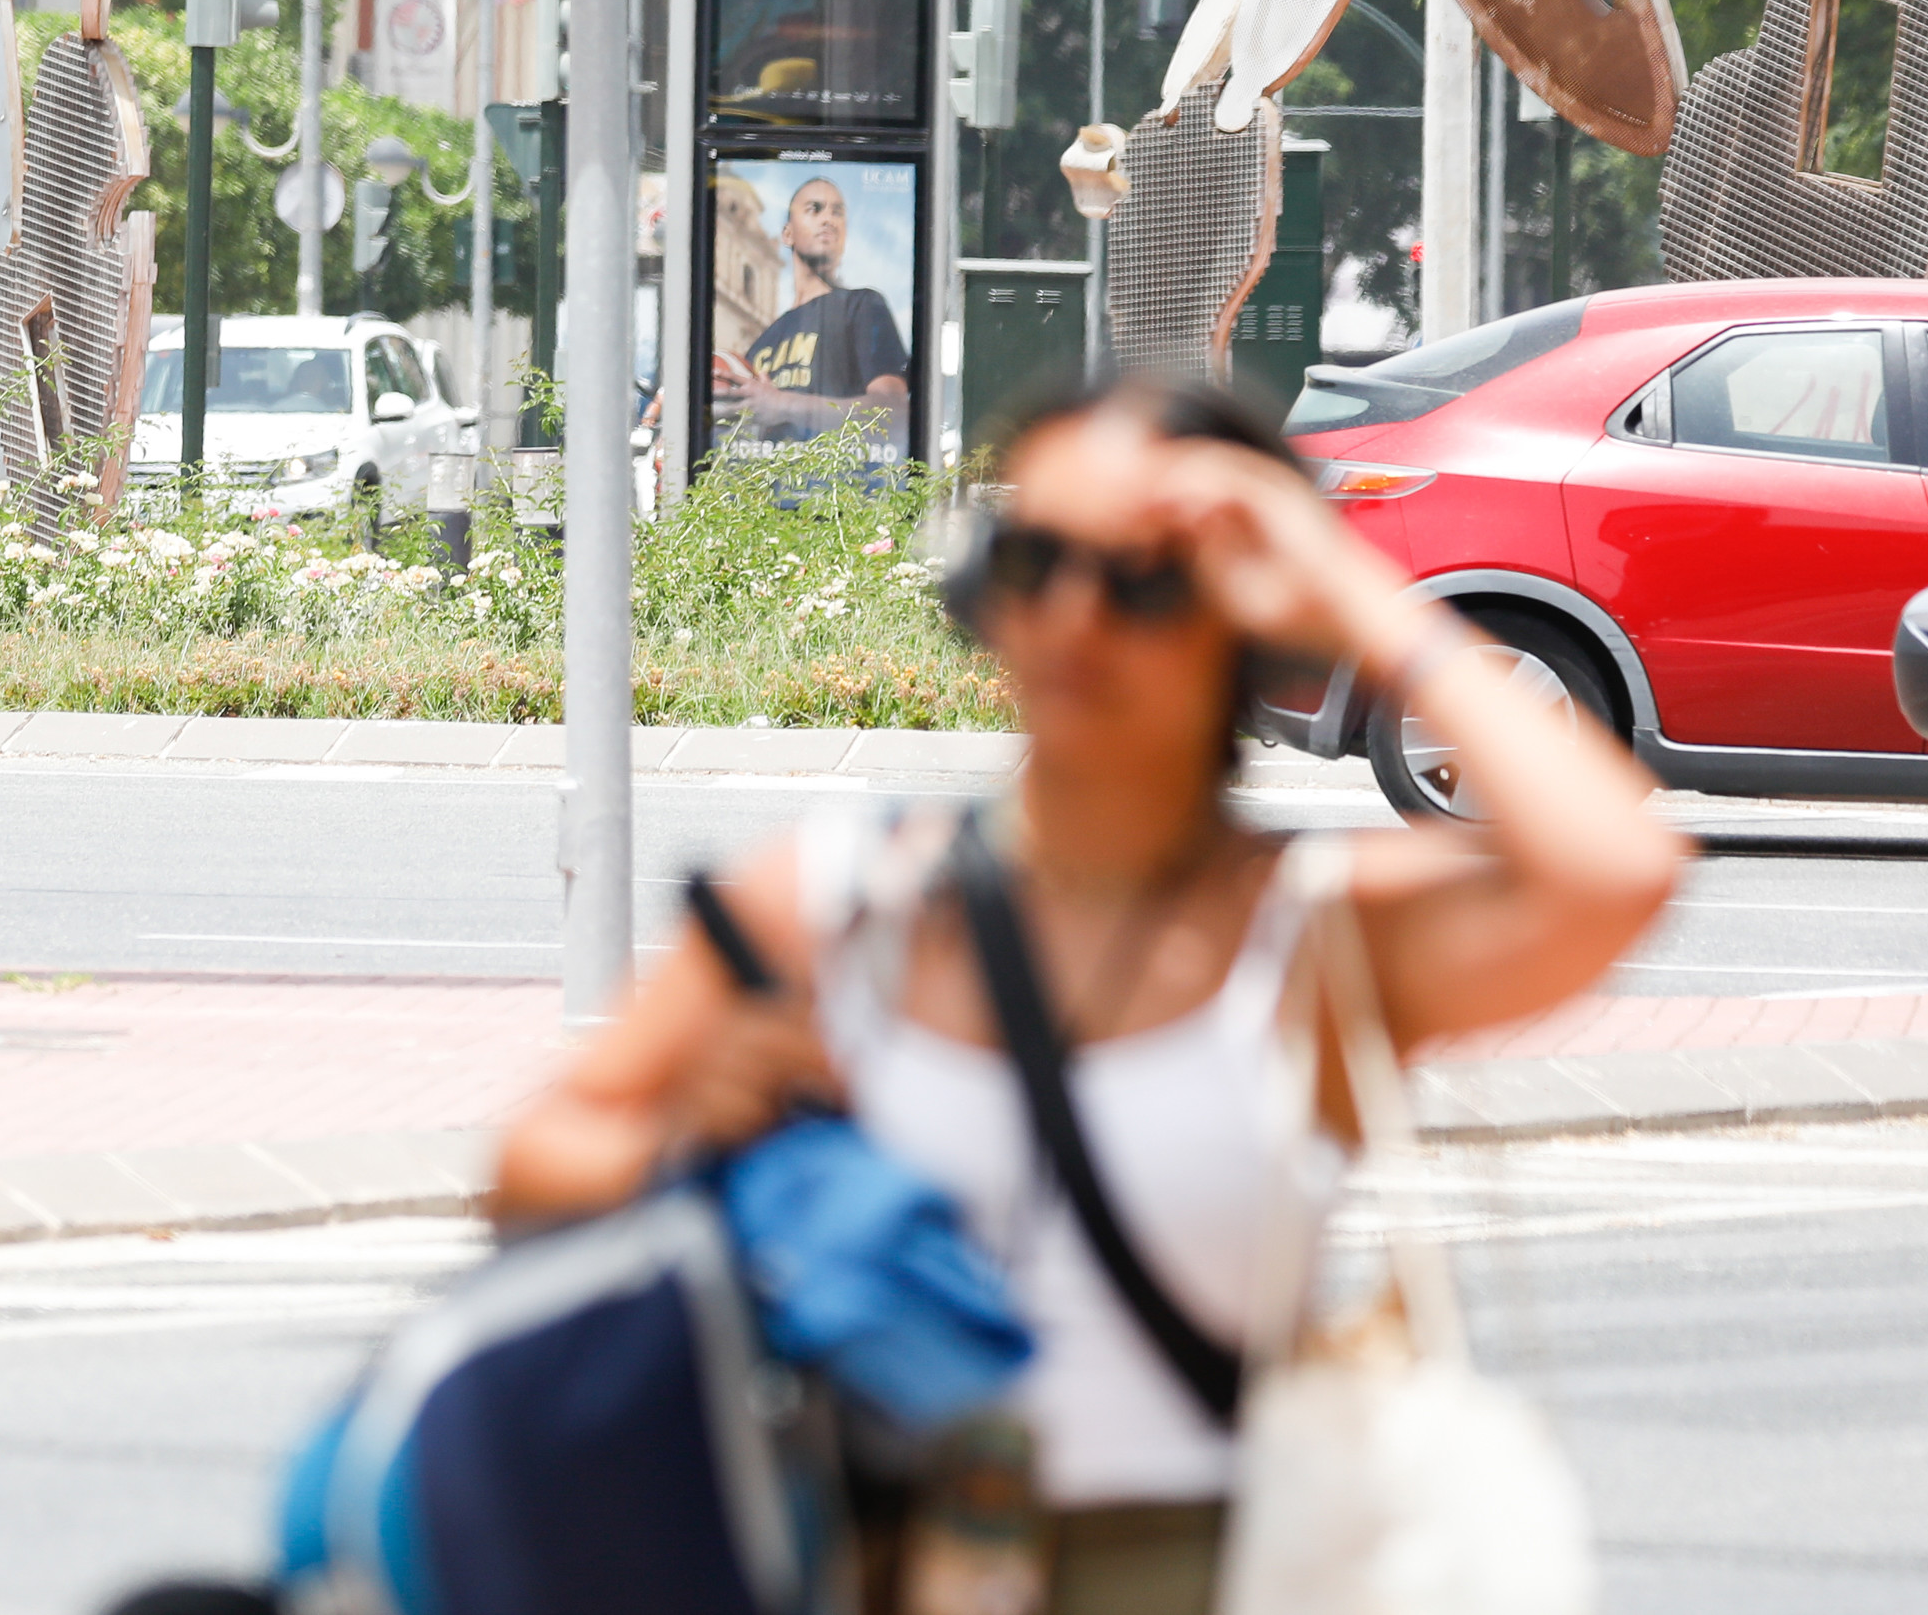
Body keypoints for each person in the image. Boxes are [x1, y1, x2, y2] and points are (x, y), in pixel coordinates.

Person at [496, 377, 1682, 1609]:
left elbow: (1614, 868)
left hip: (1199, 1570)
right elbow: (534, 1163)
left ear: (1241, 611)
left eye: (1144, 576)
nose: (1075, 612)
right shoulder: (836, 905)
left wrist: (1359, 597)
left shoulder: (1312, 930)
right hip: (868, 1556)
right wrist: (685, 1133)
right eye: (1036, 557)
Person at [714, 174, 910, 448]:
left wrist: (783, 404)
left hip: (837, 474)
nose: (828, 219)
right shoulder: (761, 344)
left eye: (837, 212)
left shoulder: (863, 305)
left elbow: (893, 411)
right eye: (814, 209)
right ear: (787, 234)